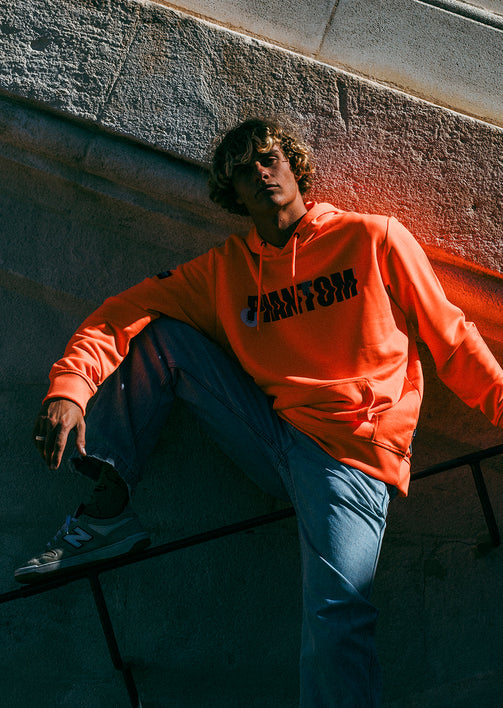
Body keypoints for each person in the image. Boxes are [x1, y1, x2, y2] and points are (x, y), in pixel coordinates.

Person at [15, 118, 503, 706]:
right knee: (163, 336)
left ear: (295, 166)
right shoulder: (226, 271)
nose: (262, 174)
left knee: (336, 616)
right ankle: (107, 513)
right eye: (244, 171)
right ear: (234, 195)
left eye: (270, 159)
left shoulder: (373, 238)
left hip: (348, 454)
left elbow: (453, 339)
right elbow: (121, 312)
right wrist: (69, 390)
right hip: (271, 436)